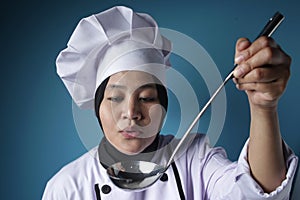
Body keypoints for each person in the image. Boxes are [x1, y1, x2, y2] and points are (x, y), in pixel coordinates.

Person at [42, 6, 298, 199]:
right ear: (97, 107)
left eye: (146, 98)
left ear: (163, 107)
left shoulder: (195, 160)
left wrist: (264, 107)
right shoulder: (67, 186)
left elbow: (256, 193)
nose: (131, 113)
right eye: (115, 98)